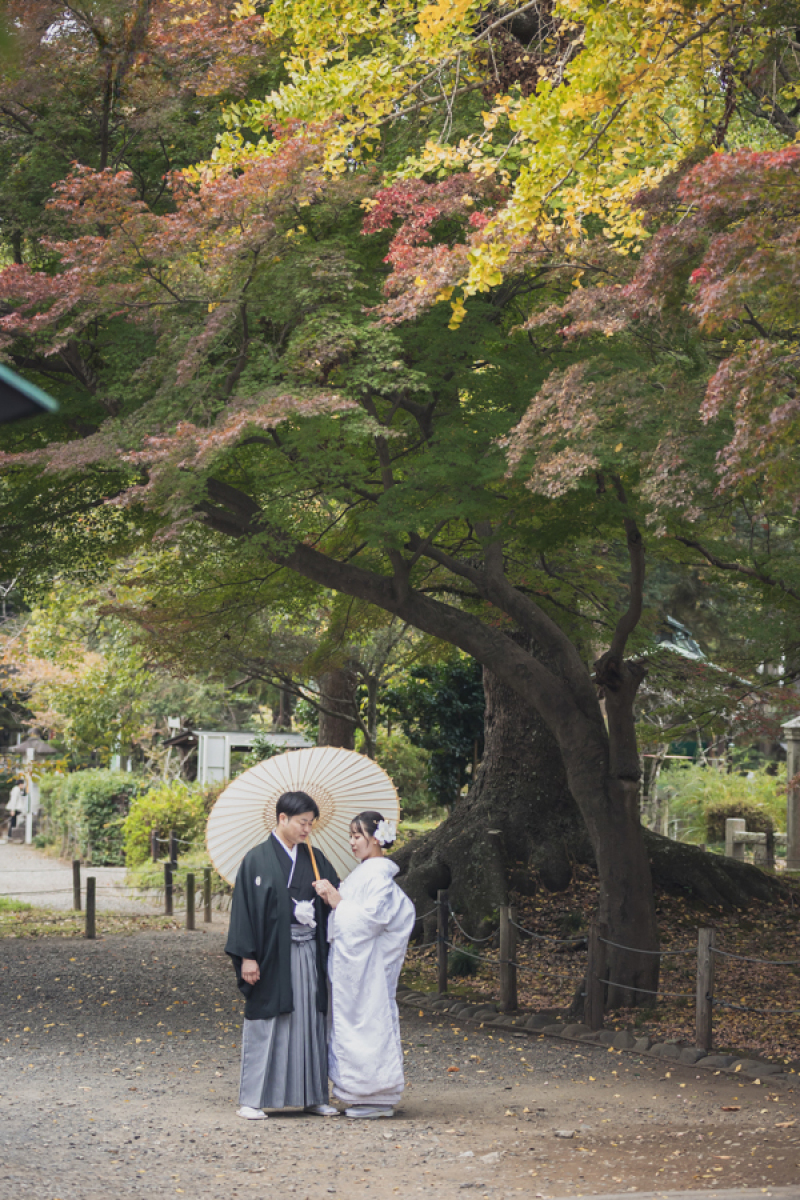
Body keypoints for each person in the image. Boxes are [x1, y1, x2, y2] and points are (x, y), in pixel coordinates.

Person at [225, 790, 340, 1120]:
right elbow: (244, 909)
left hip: (308, 952)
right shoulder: (257, 859)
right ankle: (252, 1098)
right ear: (282, 819)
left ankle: (314, 1095)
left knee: (310, 1021)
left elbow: (336, 899)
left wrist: (323, 897)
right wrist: (247, 956)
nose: (307, 829)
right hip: (272, 954)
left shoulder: (314, 859)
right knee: (267, 1020)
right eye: (303, 823)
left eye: (311, 824)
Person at [313, 810, 415, 1119]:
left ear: (375, 839)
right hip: (355, 965)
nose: (352, 842)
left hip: (368, 966)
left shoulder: (377, 876)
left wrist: (336, 900)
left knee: (370, 1022)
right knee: (356, 1023)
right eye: (351, 836)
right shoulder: (366, 873)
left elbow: (371, 920)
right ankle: (358, 1092)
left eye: (357, 836)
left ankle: (376, 1093)